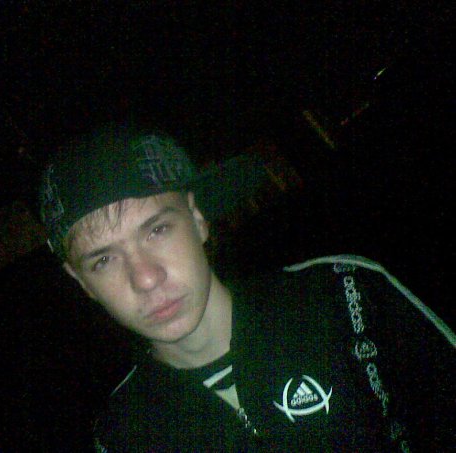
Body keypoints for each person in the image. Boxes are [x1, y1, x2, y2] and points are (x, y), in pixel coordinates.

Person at [38, 124, 455, 452]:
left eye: (158, 230)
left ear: (197, 219)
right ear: (81, 282)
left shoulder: (345, 296)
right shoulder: (124, 435)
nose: (145, 278)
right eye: (104, 260)